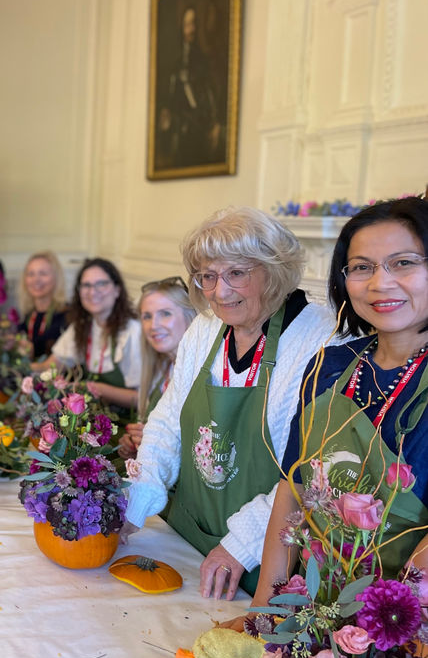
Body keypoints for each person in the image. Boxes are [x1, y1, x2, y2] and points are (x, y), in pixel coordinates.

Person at [229, 197, 428, 627]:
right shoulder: (330, 365)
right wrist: (265, 614)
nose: (380, 283)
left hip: (397, 630)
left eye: (404, 262)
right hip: (313, 612)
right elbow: (294, 489)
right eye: (361, 267)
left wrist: (374, 638)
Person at [122, 207, 336, 599]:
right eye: (207, 276)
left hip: (261, 565)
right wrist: (134, 504)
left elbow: (310, 471)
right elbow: (169, 420)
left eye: (237, 273)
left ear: (274, 270)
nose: (220, 291)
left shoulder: (321, 338)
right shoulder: (205, 329)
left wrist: (240, 545)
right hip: (189, 537)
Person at [46, 258, 142, 411]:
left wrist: (95, 388)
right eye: (86, 285)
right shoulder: (83, 326)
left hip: (127, 424)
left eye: (101, 284)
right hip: (91, 423)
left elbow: (141, 399)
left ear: (117, 290)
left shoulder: (132, 331)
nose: (92, 291)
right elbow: (49, 367)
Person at [118, 276, 196, 459]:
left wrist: (157, 438)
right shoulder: (165, 369)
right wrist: (132, 444)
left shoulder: (200, 374)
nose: (153, 325)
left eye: (166, 314)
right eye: (147, 316)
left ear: (190, 317)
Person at [155, 5, 223, 170]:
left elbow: (211, 95)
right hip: (182, 131)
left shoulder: (203, 61)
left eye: (193, 24)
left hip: (199, 130)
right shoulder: (176, 63)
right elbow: (171, 100)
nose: (190, 29)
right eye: (187, 24)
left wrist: (215, 125)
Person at [20, 251, 68, 364]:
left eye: (43, 274)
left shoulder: (66, 314)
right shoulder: (28, 315)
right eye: (31, 274)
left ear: (56, 278)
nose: (36, 279)